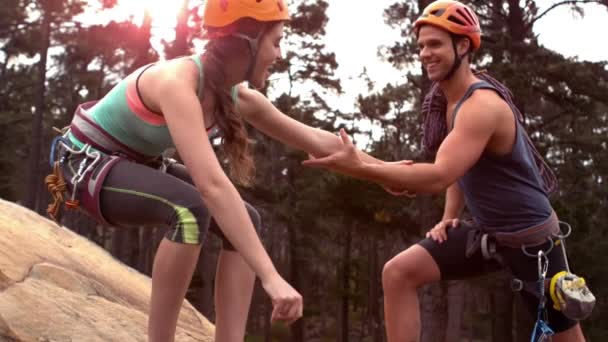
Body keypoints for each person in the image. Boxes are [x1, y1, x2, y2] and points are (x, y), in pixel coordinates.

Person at [44, 0, 381, 341]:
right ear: (247, 40)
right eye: (276, 42)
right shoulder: (177, 83)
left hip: (134, 162)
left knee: (247, 221)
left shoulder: (235, 95)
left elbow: (314, 139)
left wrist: (387, 172)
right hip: (84, 163)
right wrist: (271, 276)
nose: (280, 54)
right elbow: (212, 187)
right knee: (190, 211)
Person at [302, 1, 586, 341]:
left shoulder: (481, 107)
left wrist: (359, 167)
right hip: (489, 235)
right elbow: (461, 169)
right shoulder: (449, 102)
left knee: (565, 337)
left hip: (533, 243)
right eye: (421, 45)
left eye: (435, 44)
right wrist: (450, 215)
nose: (424, 53)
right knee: (398, 273)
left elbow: (439, 175)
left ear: (463, 45)